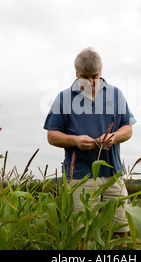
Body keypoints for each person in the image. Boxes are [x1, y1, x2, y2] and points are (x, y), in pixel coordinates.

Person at [43, 47, 136, 240]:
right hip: (79, 176)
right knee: (82, 234)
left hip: (113, 175)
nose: (91, 82)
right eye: (85, 77)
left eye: (95, 76)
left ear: (100, 72)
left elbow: (128, 128)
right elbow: (52, 136)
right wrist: (75, 141)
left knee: (120, 232)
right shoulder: (63, 98)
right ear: (77, 74)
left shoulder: (116, 95)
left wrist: (114, 137)